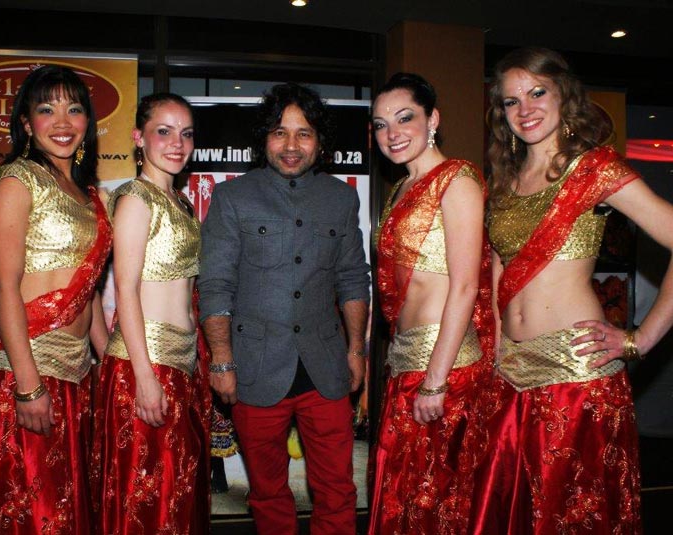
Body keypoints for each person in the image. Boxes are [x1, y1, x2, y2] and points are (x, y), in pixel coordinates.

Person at [471, 46, 673, 534]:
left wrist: (640, 339)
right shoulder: (504, 180)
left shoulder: (595, 169)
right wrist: (495, 344)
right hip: (510, 371)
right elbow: (498, 265)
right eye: (511, 100)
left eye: (537, 93)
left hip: (575, 373)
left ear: (564, 95)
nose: (525, 109)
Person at [199, 82, 370, 535]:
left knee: (337, 489)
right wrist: (222, 360)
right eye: (280, 132)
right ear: (265, 139)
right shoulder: (233, 197)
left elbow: (352, 278)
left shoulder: (341, 198)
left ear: (319, 141)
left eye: (304, 133)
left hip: (326, 367)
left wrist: (356, 349)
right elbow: (216, 285)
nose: (291, 145)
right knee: (268, 493)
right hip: (253, 368)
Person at [0, 64, 112, 534]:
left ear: (87, 123)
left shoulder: (87, 193)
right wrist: (28, 386)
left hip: (75, 373)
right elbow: (4, 287)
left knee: (66, 509)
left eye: (74, 109)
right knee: (31, 511)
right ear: (25, 123)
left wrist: (108, 363)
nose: (62, 122)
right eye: (47, 110)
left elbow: (88, 289)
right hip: (28, 372)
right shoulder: (17, 181)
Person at [366, 73, 495, 534]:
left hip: (445, 370)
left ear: (433, 119)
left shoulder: (457, 180)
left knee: (438, 503)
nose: (392, 133)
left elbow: (465, 286)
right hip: (406, 364)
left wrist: (436, 381)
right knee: (404, 500)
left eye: (405, 118)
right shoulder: (401, 188)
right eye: (380, 125)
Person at [93, 92, 209, 534]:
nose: (177, 143)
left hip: (179, 365)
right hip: (145, 366)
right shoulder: (136, 199)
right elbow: (126, 289)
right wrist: (144, 378)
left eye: (186, 133)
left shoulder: (179, 201)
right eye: (164, 131)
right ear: (139, 138)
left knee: (174, 498)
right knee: (145, 503)